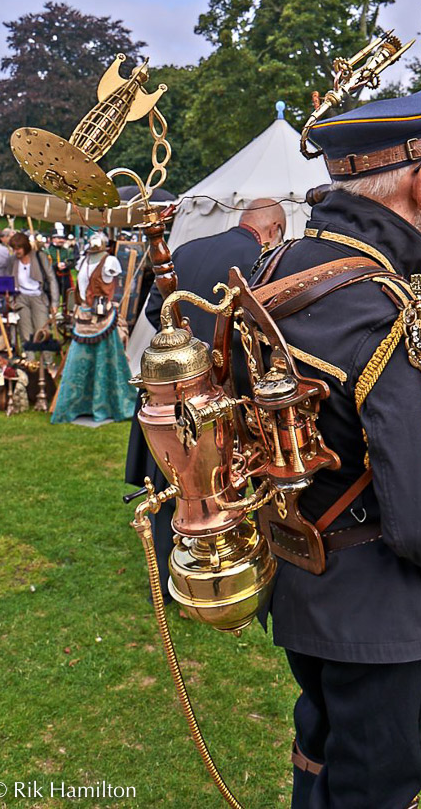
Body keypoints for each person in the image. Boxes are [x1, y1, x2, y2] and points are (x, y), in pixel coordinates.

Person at [248, 81, 421, 808]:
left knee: (318, 757)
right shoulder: (387, 308)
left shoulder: (276, 266)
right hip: (379, 614)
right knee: (377, 784)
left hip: (298, 581)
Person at [125, 198, 287, 601]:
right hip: (218, 403)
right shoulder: (266, 261)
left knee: (172, 488)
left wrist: (179, 350)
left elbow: (154, 312)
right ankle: (216, 584)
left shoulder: (185, 249)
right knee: (214, 494)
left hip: (165, 398)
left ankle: (170, 583)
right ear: (275, 231)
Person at [51, 232, 136, 424]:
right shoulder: (83, 261)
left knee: (106, 363)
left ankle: (107, 405)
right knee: (77, 364)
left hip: (102, 318)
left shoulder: (110, 262)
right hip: (83, 317)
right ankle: (75, 406)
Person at [9, 231, 58, 360]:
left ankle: (47, 363)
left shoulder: (39, 257)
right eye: (14, 249)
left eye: (18, 248)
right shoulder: (13, 261)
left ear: (25, 247)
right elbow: (9, 279)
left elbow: (51, 278)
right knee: (25, 332)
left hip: (38, 297)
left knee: (42, 330)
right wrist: (10, 300)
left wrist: (55, 302)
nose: (16, 251)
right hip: (21, 297)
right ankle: (30, 364)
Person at [46, 227, 76, 305]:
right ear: (53, 239)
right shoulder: (47, 251)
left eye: (63, 238)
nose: (61, 240)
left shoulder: (67, 251)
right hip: (52, 278)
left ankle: (67, 313)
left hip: (65, 277)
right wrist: (56, 266)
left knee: (68, 296)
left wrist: (66, 264)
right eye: (59, 238)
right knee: (51, 297)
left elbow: (72, 262)